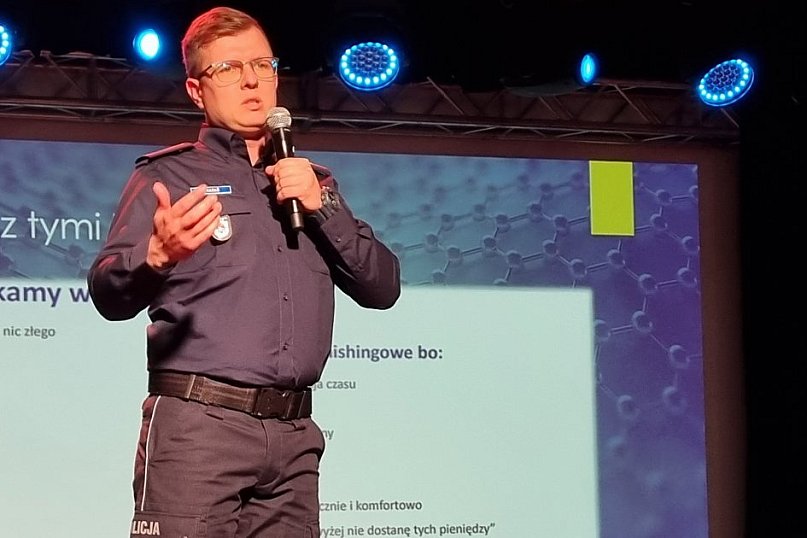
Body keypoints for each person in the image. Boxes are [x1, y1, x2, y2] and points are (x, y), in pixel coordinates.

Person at [87, 6, 401, 537]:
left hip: (295, 437)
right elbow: (107, 293)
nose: (252, 80)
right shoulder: (168, 176)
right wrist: (157, 255)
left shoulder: (311, 183)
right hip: (199, 428)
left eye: (262, 64)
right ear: (196, 90)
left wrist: (323, 207)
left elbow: (383, 287)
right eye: (228, 68)